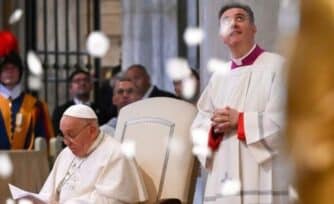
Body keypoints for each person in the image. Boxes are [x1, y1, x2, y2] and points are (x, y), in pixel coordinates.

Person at [191, 3, 289, 204]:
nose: (233, 24)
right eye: (226, 21)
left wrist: (241, 121)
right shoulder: (218, 77)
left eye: (240, 18)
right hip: (224, 174)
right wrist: (214, 128)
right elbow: (199, 124)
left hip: (262, 175)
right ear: (221, 35)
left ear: (253, 28)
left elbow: (288, 120)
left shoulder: (277, 67)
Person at [39, 104, 147, 203]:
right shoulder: (66, 153)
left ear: (92, 131)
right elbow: (48, 193)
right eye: (63, 135)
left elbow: (112, 201)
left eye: (71, 135)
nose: (66, 143)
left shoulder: (117, 154)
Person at [0, 30, 54, 149]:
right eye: (5, 68)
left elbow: (46, 144)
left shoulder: (36, 107)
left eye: (13, 68)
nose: (9, 72)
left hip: (28, 165)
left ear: (20, 72)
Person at [52, 69, 111, 136]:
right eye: (77, 81)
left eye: (86, 80)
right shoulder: (61, 111)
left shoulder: (102, 110)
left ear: (91, 86)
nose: (82, 83)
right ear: (70, 88)